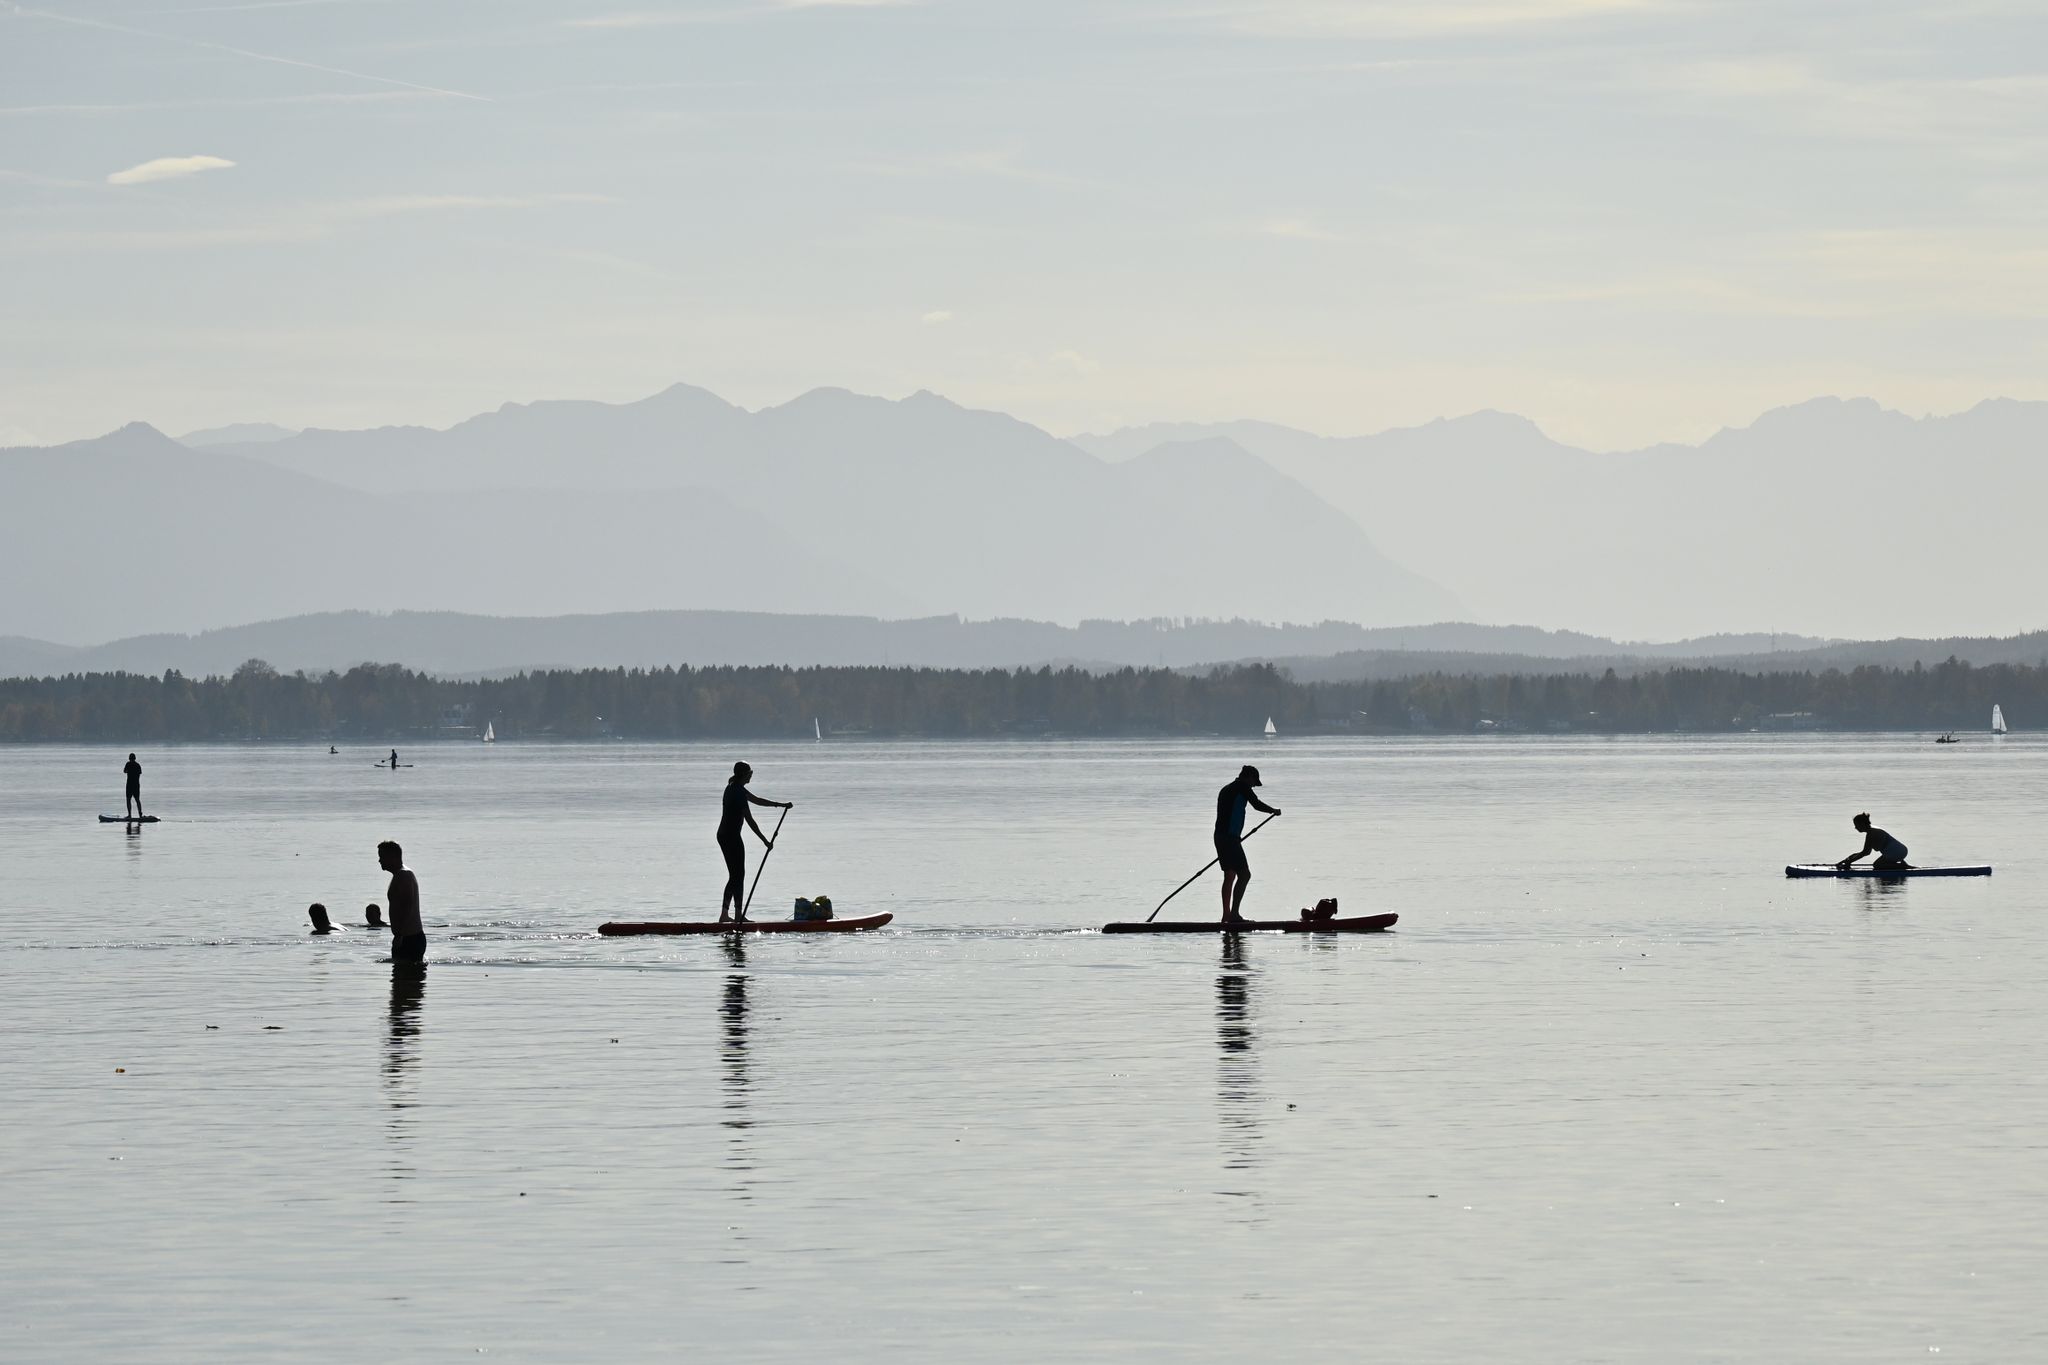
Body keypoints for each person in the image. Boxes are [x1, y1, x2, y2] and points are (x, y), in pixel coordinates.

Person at [718, 761, 791, 923]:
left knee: (734, 876)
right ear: (744, 774)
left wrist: (780, 805)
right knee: (739, 875)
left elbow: (757, 800)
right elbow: (750, 820)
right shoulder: (736, 791)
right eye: (750, 773)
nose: (752, 775)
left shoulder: (734, 788)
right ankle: (737, 916)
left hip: (724, 835)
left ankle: (725, 915)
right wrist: (765, 841)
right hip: (731, 837)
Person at [1215, 765, 1280, 922]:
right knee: (1244, 875)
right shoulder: (1242, 787)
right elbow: (1256, 804)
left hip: (1220, 837)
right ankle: (1234, 915)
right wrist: (1274, 810)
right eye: (1253, 782)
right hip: (1230, 839)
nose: (1253, 786)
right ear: (1248, 776)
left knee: (1230, 875)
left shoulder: (1225, 789)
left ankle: (1226, 915)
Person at [378, 840, 425, 961]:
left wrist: (399, 935)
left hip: (410, 938)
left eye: (382, 856)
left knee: (404, 978)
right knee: (400, 978)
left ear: (392, 857)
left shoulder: (404, 875)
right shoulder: (400, 875)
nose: (379, 860)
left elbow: (407, 906)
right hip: (407, 937)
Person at [1839, 812, 1911, 871]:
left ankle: (1901, 866)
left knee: (1877, 865)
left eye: (1856, 825)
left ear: (1862, 824)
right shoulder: (1871, 830)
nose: (1855, 827)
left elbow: (1865, 852)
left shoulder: (1871, 833)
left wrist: (1849, 862)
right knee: (1878, 864)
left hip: (1894, 852)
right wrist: (1847, 859)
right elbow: (1866, 852)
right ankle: (1901, 864)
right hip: (1900, 850)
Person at [122, 752, 143, 819]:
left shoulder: (128, 764)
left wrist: (129, 771)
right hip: (136, 784)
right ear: (135, 758)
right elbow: (139, 774)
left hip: (129, 784)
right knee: (137, 800)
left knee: (128, 800)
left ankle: (129, 815)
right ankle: (140, 815)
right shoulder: (138, 765)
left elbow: (124, 771)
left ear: (129, 758)